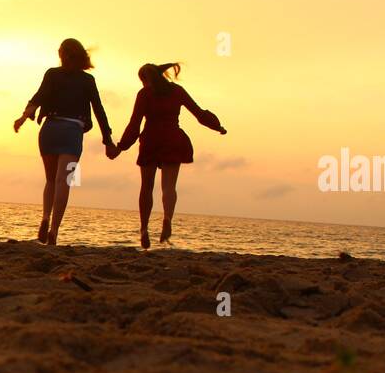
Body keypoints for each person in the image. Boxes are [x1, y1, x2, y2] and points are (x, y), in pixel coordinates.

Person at [110, 63, 226, 249]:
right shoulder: (177, 91)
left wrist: (120, 147)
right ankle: (167, 219)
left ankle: (144, 229)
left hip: (151, 140)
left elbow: (134, 124)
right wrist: (217, 126)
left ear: (145, 79)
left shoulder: (144, 94)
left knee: (146, 187)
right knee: (169, 187)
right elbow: (199, 113)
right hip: (173, 139)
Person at [14, 39, 117, 245]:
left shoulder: (52, 74)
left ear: (63, 55)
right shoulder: (88, 80)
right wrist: (108, 140)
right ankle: (54, 229)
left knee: (51, 180)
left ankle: (44, 217)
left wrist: (24, 117)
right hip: (72, 133)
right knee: (65, 181)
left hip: (49, 131)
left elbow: (39, 96)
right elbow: (98, 110)